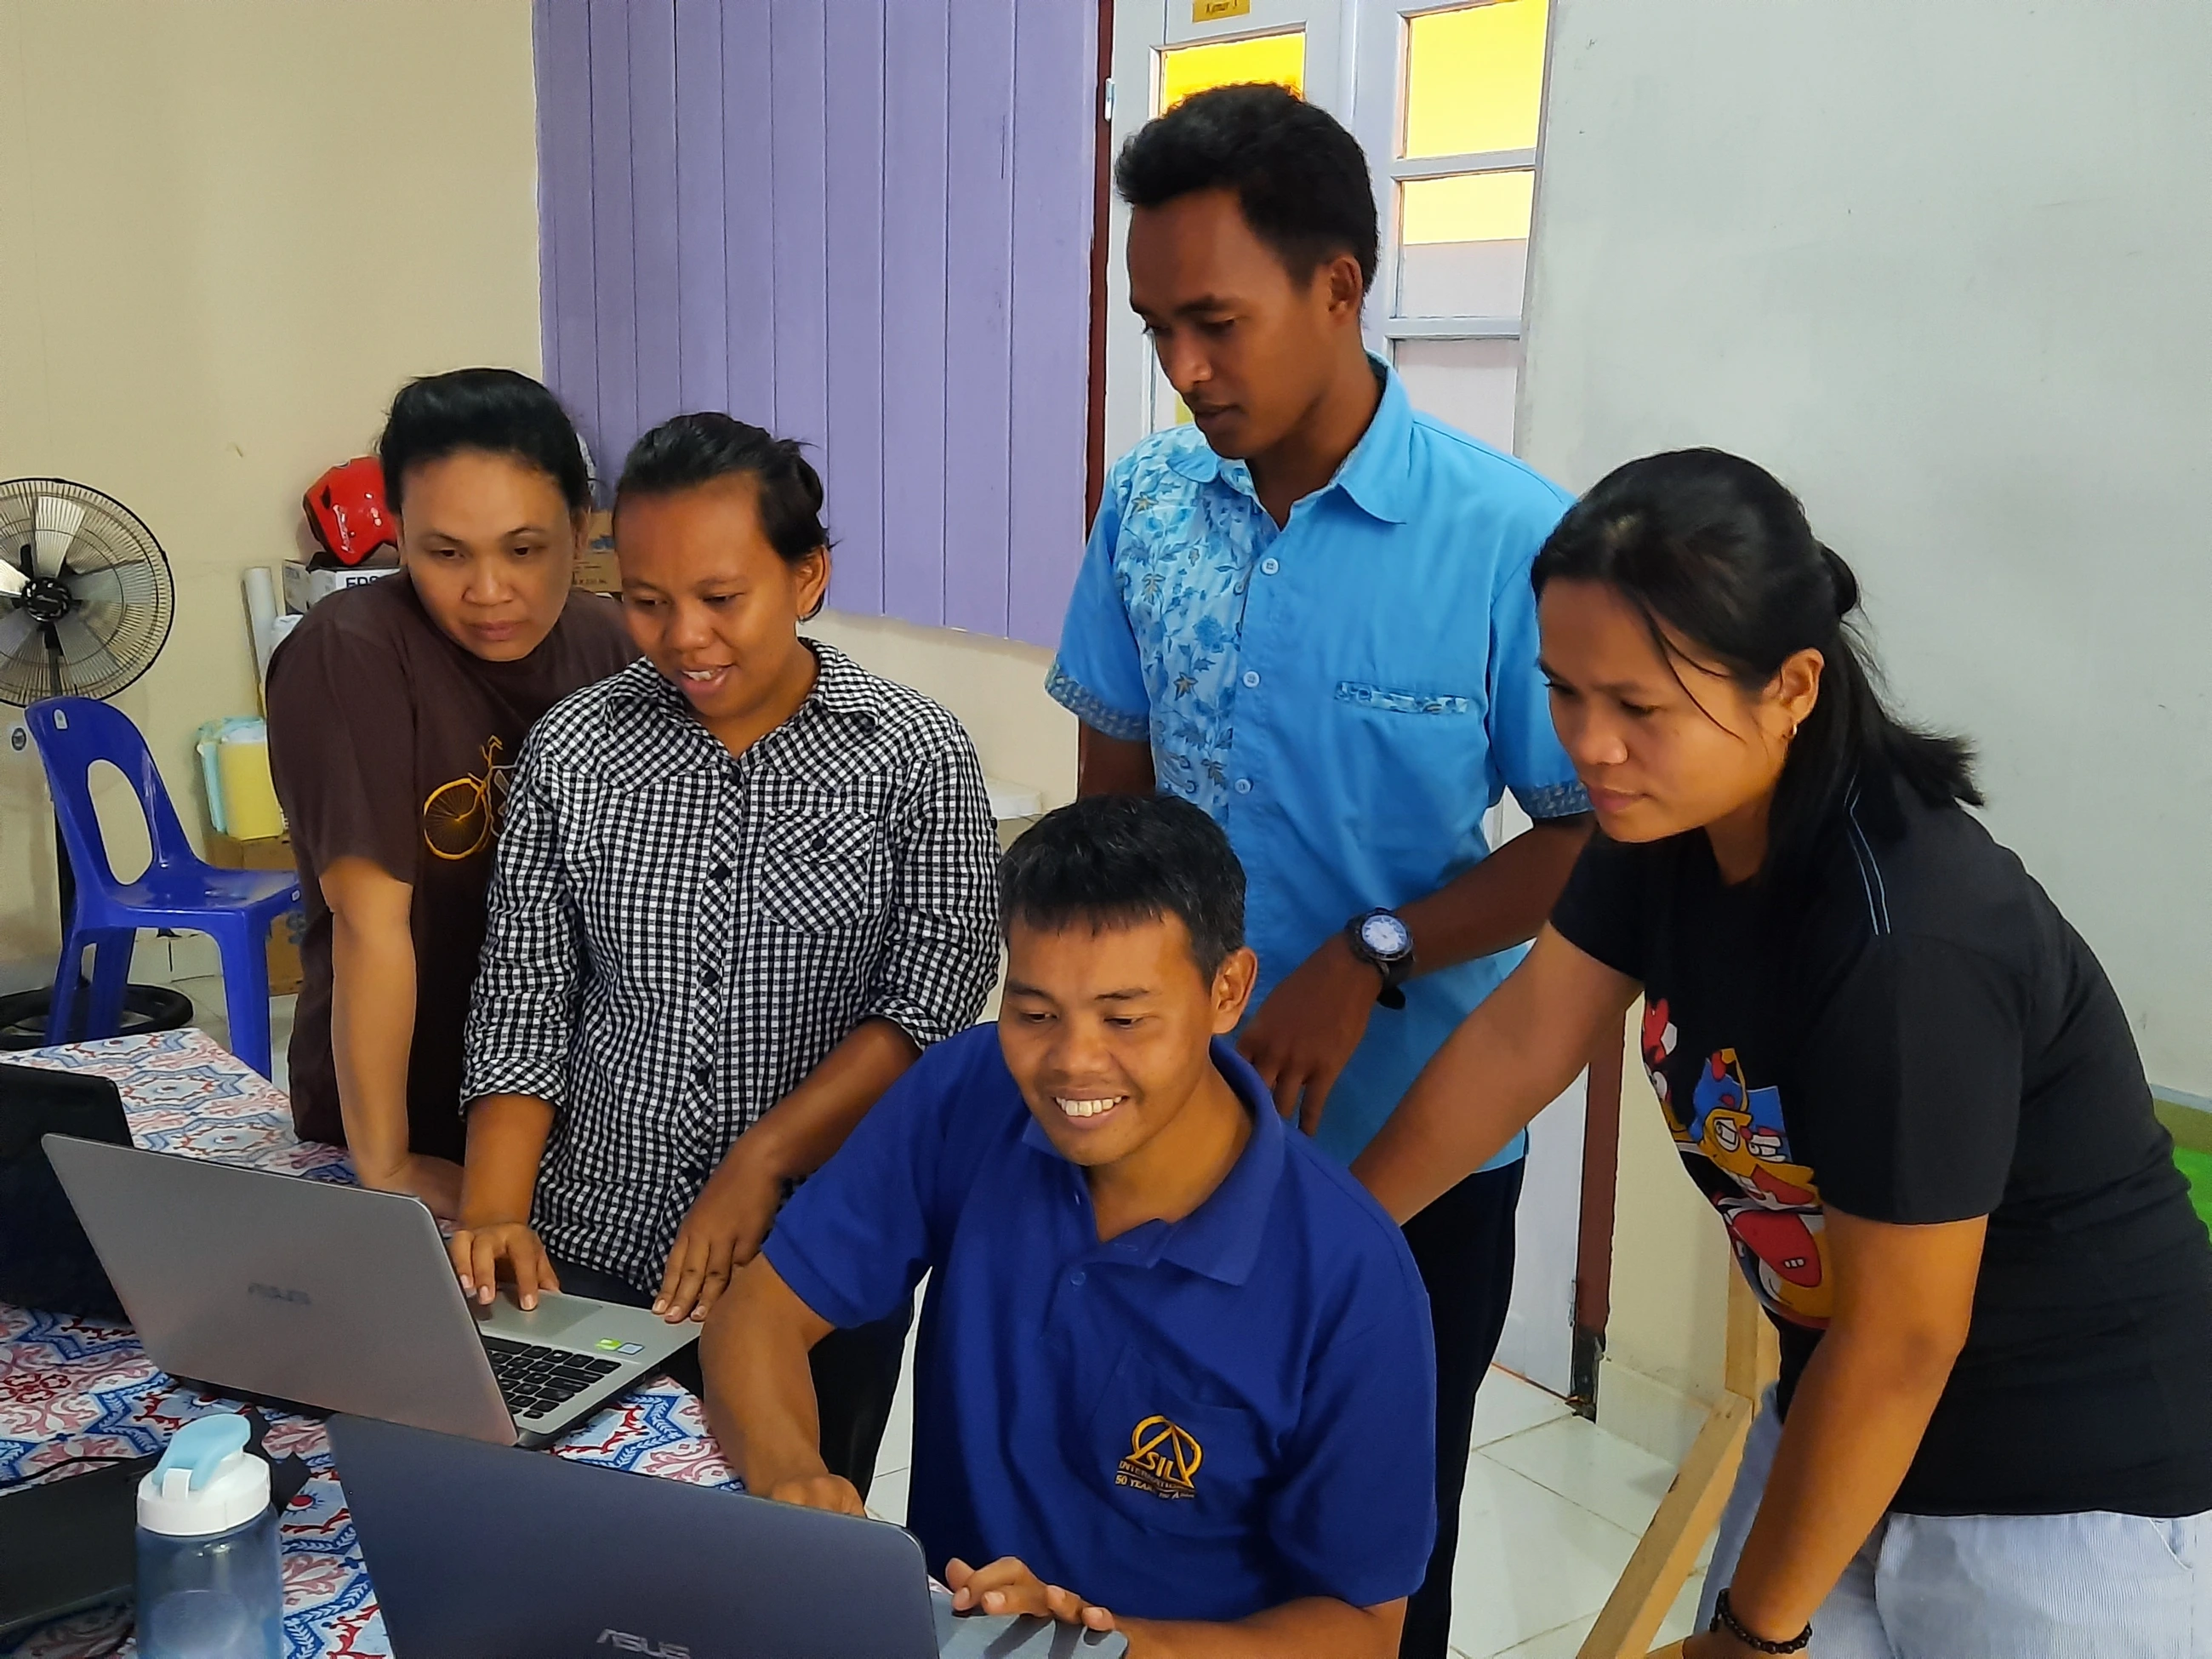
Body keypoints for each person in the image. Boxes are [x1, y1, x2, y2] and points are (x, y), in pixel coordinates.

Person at [1354, 448, 2212, 1658]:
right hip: (1838, 1420)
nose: (1590, 746)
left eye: (1639, 707)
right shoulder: (1661, 831)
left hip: (2066, 1494)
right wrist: (1325, 1245)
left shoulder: (1906, 936)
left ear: (1792, 686)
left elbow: (1904, 1340)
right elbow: (1517, 1038)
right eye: (1565, 692)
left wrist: (1755, 1635)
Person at [1046, 83, 1591, 1656]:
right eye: (1156, 330)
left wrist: (1373, 949)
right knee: (1158, 1505)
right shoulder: (1150, 504)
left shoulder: (1510, 539)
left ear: (1339, 286)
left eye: (1214, 323)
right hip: (1171, 1136)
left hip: (1414, 1150)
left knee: (1371, 1557)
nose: (1183, 369)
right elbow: (1110, 798)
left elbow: (1588, 841)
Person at [702, 794, 1436, 1657]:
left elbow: (1363, 1631)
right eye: (1034, 1014)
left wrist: (1097, 1647)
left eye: (1124, 1019)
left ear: (1227, 990)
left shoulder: (1350, 1277)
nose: (1072, 1063)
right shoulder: (971, 1091)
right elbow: (760, 1313)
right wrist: (794, 1478)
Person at [450, 413, 999, 1491]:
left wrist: (763, 1160)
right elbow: (525, 997)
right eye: (646, 601)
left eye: (719, 598)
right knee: (578, 1533)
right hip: (594, 1236)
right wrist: (498, 1210)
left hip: (820, 1253)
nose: (682, 638)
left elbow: (928, 1004)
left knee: (796, 1529)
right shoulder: (577, 747)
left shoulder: (912, 755)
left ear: (806, 578)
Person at [265, 368, 636, 1220]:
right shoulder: (349, 653)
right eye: (446, 553)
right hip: (406, 1109)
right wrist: (388, 1162)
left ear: (580, 528)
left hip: (578, 1118)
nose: (488, 592)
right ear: (398, 533)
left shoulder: (611, 645)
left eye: (524, 549)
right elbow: (369, 925)